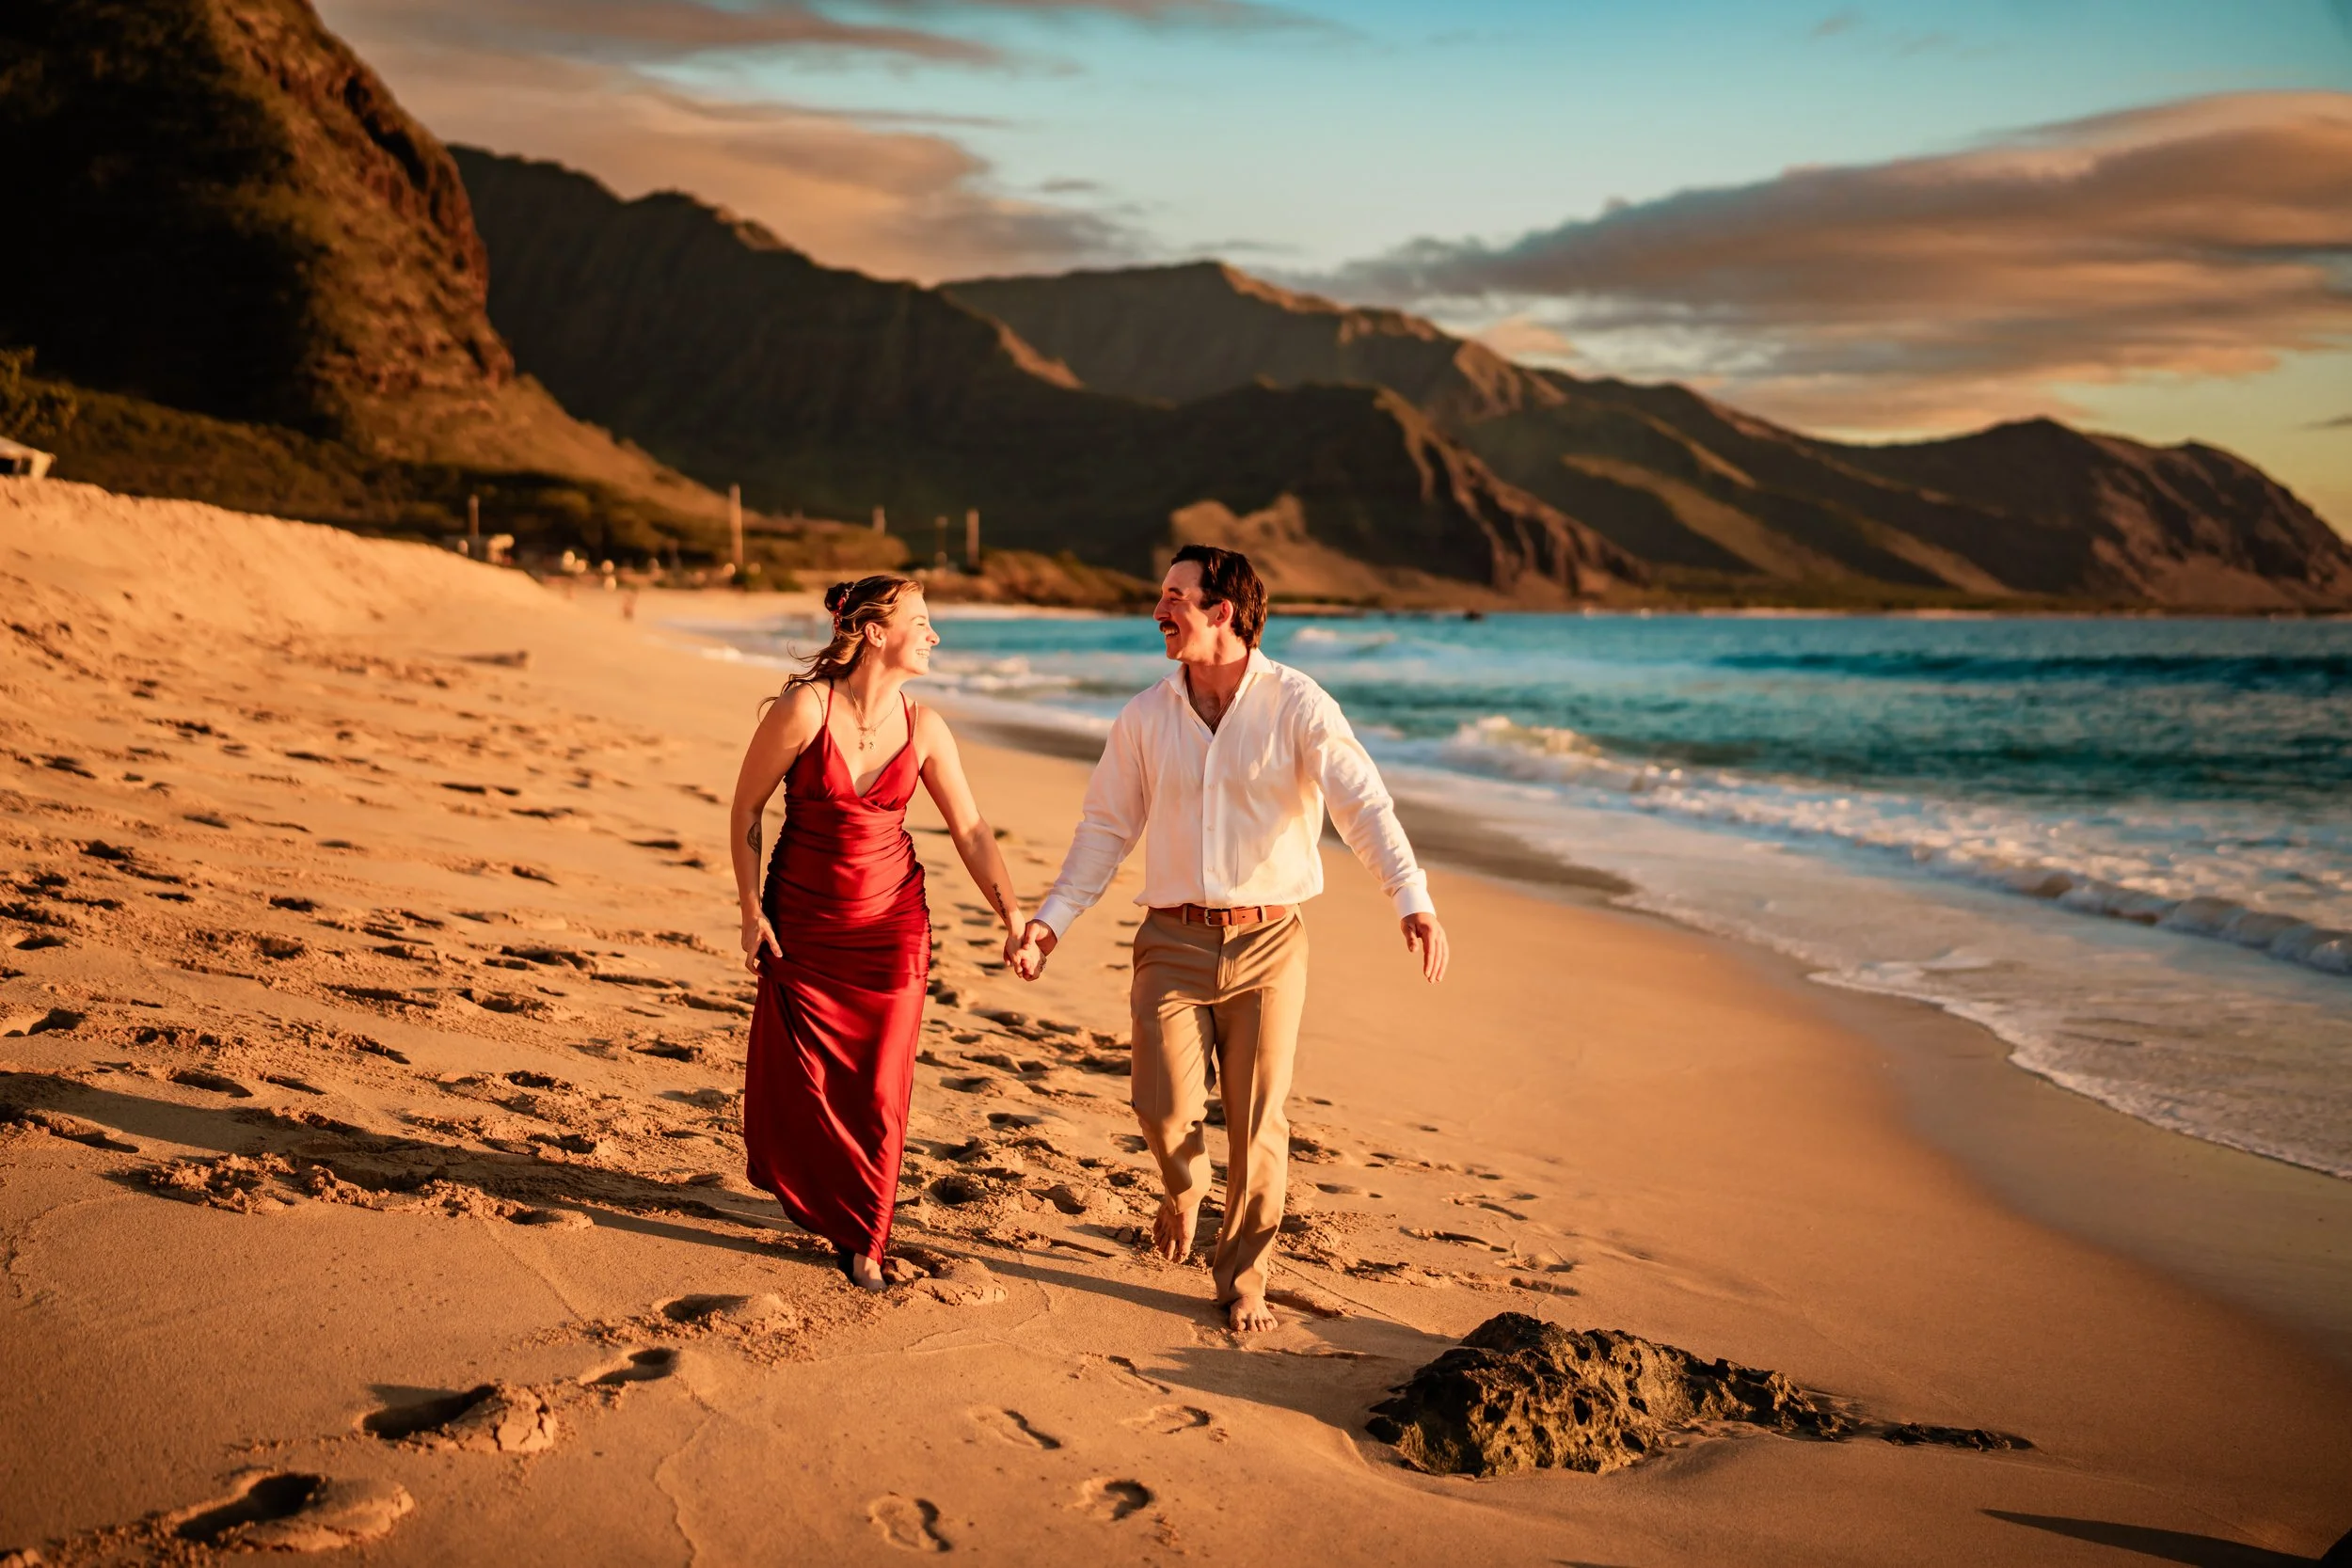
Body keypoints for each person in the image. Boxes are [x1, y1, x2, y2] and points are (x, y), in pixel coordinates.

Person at [1013, 546, 1449, 1333]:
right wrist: (1051, 921)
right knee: (1161, 1108)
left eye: (1174, 595)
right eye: (1161, 593)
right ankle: (1182, 1189)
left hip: (1271, 944)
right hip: (1170, 942)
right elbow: (1106, 829)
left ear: (1223, 611)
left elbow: (1363, 805)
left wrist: (1409, 895)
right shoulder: (1145, 715)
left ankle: (1244, 1275)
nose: (1158, 609)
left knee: (1257, 1121)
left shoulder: (1298, 704)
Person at [728, 575, 1025, 1291]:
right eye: (921, 621)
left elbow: (972, 830)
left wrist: (1013, 915)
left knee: (882, 1085)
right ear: (873, 632)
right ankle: (823, 1198)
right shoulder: (806, 708)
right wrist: (749, 909)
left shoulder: (926, 727)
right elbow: (746, 810)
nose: (934, 634)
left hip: (893, 924)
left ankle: (868, 1235)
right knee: (809, 1081)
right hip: (802, 919)